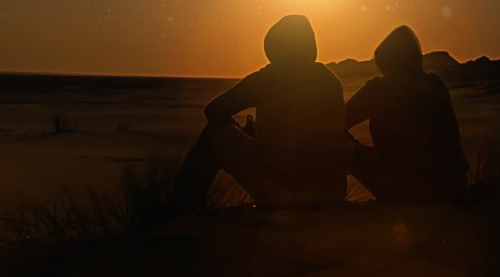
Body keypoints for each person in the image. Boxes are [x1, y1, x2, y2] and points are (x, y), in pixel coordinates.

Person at [165, 14, 350, 212]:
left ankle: (180, 209)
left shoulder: (268, 77)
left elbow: (213, 110)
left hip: (284, 192)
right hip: (332, 192)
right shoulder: (330, 80)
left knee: (214, 132)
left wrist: (239, 130)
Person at [345, 25, 468, 204]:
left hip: (413, 190)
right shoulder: (434, 83)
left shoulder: (380, 90)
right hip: (452, 187)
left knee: (337, 142)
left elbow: (335, 121)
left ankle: (317, 201)